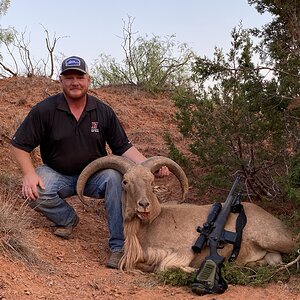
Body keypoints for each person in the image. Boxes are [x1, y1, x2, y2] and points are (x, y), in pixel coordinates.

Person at [10, 55, 169, 269]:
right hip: (58, 174)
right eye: (69, 77)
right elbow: (19, 145)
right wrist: (29, 174)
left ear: (88, 80)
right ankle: (67, 219)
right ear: (61, 81)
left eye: (79, 77)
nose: (74, 82)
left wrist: (150, 164)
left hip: (96, 175)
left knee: (115, 178)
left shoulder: (102, 111)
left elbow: (122, 147)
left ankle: (118, 247)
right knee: (34, 191)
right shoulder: (45, 110)